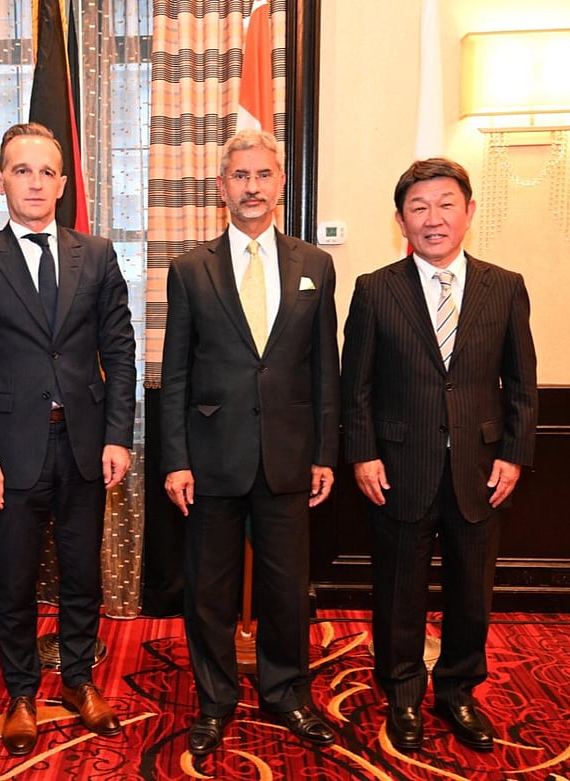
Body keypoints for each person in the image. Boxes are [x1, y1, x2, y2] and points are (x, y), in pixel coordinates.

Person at [0, 123, 136, 757]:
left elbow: (120, 352)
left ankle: (79, 681)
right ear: (1, 181)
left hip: (84, 447)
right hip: (9, 452)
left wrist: (117, 436)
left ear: (61, 182)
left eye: (45, 171)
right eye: (20, 170)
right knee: (14, 580)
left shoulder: (98, 255)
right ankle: (22, 692)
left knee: (83, 575)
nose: (34, 182)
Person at [340, 158, 538, 752]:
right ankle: (402, 693)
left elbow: (522, 384)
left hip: (481, 470)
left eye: (446, 204)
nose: (433, 219)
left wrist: (514, 455)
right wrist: (363, 455)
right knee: (397, 590)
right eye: (419, 208)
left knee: (472, 592)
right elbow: (357, 387)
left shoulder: (505, 286)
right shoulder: (375, 289)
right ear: (401, 219)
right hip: (399, 468)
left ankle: (457, 691)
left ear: (469, 212)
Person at [160, 129, 340, 756]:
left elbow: (325, 368)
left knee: (288, 588)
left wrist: (325, 451)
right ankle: (213, 701)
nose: (253, 188)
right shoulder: (190, 270)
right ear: (221, 187)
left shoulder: (316, 266)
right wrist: (175, 459)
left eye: (263, 175)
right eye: (240, 176)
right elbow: (175, 372)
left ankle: (286, 691)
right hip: (211, 456)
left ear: (280, 183)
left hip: (289, 454)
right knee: (207, 589)